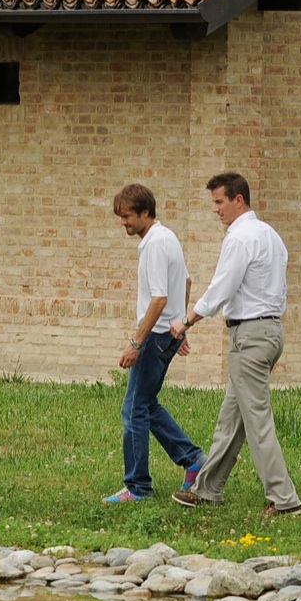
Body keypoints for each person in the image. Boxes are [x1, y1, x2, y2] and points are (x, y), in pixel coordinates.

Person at [169, 172, 301, 515]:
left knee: (256, 419)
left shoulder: (240, 238)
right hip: (269, 332)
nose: (215, 209)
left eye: (219, 201)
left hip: (251, 335)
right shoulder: (271, 236)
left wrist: (187, 320)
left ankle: (284, 499)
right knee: (233, 417)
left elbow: (222, 288)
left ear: (238, 200)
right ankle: (208, 488)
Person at [103, 183, 204, 503]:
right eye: (121, 217)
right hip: (166, 334)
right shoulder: (166, 237)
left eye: (128, 216)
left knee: (133, 411)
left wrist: (136, 342)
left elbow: (159, 298)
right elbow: (186, 280)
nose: (124, 222)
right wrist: (181, 328)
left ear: (146, 212)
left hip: (155, 337)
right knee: (146, 405)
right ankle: (193, 460)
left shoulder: (155, 244)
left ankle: (137, 487)